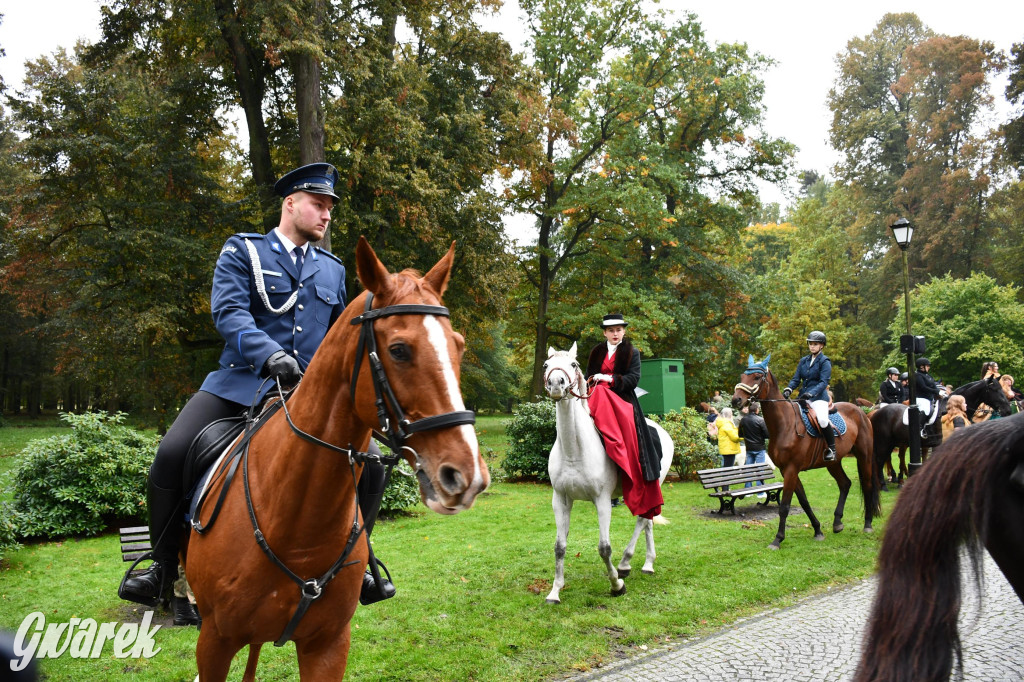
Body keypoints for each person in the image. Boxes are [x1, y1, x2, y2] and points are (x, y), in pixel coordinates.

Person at [119, 163, 395, 614]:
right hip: (240, 383)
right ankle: (162, 567)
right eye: (318, 205)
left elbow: (341, 337)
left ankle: (359, 562)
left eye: (330, 208)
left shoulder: (331, 269)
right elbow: (228, 312)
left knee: (372, 464)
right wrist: (268, 354)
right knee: (172, 453)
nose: (327, 215)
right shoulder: (243, 251)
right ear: (291, 204)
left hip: (306, 394)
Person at [585, 314, 663, 518]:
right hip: (595, 395)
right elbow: (587, 377)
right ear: (604, 332)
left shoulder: (631, 352)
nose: (615, 333)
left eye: (618, 330)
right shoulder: (596, 352)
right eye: (611, 330)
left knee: (619, 412)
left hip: (622, 398)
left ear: (624, 331)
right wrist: (594, 380)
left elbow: (633, 379)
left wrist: (610, 379)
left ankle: (623, 456)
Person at [783, 330, 836, 461]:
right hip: (803, 397)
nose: (812, 346)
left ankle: (832, 449)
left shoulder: (825, 361)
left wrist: (811, 393)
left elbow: (824, 382)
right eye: (810, 344)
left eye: (815, 344)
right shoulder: (803, 360)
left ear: (821, 345)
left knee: (823, 420)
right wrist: (789, 388)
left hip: (818, 398)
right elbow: (796, 379)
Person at [738, 402, 770, 498]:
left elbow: (740, 434)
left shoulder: (743, 420)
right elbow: (767, 435)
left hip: (749, 447)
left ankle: (748, 491)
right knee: (760, 469)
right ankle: (760, 492)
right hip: (759, 447)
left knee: (748, 468)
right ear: (756, 410)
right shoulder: (760, 420)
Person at [914, 357, 946, 429]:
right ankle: (919, 427)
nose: (929, 367)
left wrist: (940, 392)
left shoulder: (928, 376)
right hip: (921, 398)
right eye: (927, 366)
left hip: (930, 398)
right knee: (926, 410)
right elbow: (923, 387)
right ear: (921, 366)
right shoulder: (917, 375)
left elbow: (934, 386)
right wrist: (935, 391)